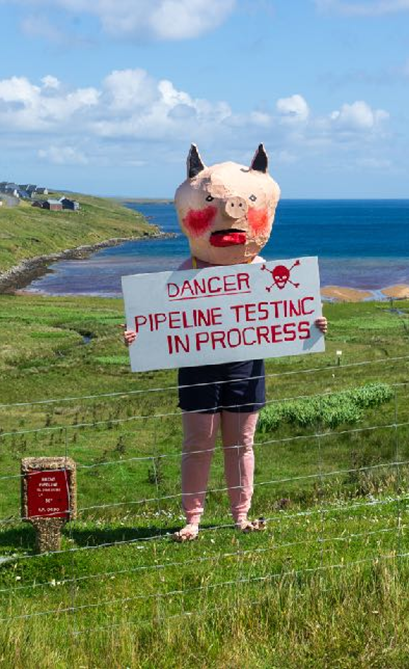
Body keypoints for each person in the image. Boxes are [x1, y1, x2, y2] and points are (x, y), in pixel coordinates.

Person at [124, 144, 328, 542]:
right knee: (198, 442)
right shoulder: (184, 274)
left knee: (241, 442)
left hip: (245, 366)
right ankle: (193, 518)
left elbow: (291, 311)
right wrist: (138, 335)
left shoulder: (267, 273)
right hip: (197, 365)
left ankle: (240, 514)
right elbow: (159, 318)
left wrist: (313, 322)